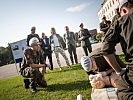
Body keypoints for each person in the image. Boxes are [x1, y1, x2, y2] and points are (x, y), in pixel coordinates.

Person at [100, 0, 133, 99]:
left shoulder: (121, 21)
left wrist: (119, 71)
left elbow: (105, 49)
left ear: (123, 10)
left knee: (122, 91)